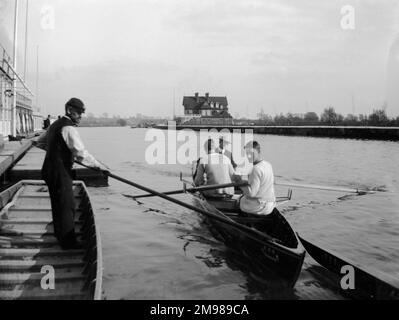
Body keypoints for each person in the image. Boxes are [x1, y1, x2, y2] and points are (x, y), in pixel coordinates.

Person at [40, 98, 104, 249]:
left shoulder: (55, 124)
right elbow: (81, 153)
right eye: (79, 113)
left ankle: (59, 235)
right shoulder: (68, 128)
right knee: (67, 206)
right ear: (69, 110)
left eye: (82, 113)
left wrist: (58, 149)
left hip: (48, 170)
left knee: (58, 204)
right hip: (60, 171)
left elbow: (40, 142)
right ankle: (68, 243)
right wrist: (99, 166)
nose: (81, 116)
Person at [235, 141, 276, 215]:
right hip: (270, 206)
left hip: (259, 208)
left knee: (238, 201)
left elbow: (251, 194)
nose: (249, 156)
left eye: (252, 153)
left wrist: (239, 182)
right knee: (243, 197)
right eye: (247, 154)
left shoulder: (255, 169)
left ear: (259, 152)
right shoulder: (268, 164)